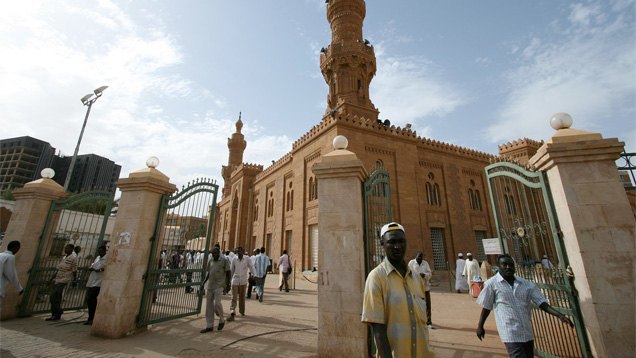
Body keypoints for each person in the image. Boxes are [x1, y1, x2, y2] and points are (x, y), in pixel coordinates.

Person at [476, 254, 573, 357]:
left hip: (527, 332)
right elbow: (486, 306)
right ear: (499, 266)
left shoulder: (526, 284)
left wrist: (559, 315)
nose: (508, 267)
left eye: (510, 265)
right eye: (504, 265)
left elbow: (542, 303)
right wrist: (480, 326)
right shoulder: (492, 284)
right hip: (510, 331)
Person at [362, 222, 435, 358]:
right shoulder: (376, 278)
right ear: (382, 244)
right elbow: (377, 327)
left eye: (401, 241)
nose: (397, 246)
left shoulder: (416, 279)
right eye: (392, 242)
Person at [200, 247, 231, 333]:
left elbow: (228, 272)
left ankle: (221, 319)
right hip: (210, 285)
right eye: (212, 253)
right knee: (209, 306)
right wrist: (203, 283)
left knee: (217, 303)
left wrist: (228, 284)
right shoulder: (211, 260)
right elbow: (209, 273)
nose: (214, 255)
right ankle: (209, 325)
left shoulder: (224, 260)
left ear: (218, 253)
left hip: (219, 285)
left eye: (215, 253)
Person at [46, 244, 77, 321]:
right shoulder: (64, 257)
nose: (65, 250)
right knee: (57, 297)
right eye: (65, 248)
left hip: (64, 279)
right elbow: (58, 269)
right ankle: (55, 314)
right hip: (58, 278)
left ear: (71, 249)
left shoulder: (73, 258)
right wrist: (51, 279)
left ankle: (58, 311)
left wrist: (74, 280)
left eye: (67, 248)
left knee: (53, 295)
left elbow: (74, 270)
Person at [227, 246, 255, 321]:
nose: (238, 253)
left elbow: (251, 267)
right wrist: (229, 281)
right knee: (234, 297)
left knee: (242, 297)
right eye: (237, 251)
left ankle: (242, 311)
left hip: (243, 281)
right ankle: (232, 311)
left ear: (242, 251)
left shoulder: (247, 259)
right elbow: (232, 270)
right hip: (235, 280)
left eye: (240, 251)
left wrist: (254, 275)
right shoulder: (234, 259)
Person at [408, 251, 433, 329]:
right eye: (418, 257)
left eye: (421, 257)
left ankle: (428, 322)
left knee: (427, 305)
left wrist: (424, 275)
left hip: (425, 287)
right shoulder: (411, 263)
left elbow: (429, 274)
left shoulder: (425, 263)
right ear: (416, 256)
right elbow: (408, 273)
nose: (419, 258)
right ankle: (416, 321)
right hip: (415, 288)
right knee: (415, 304)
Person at [85, 245, 107, 325]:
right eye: (99, 251)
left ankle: (92, 317)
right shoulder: (98, 257)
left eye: (101, 251)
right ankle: (90, 317)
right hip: (93, 279)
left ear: (105, 251)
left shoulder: (107, 257)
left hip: (100, 280)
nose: (100, 253)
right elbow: (94, 264)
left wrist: (100, 269)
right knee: (90, 298)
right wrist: (91, 267)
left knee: (91, 297)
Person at [0, 241, 24, 312]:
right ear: (15, 248)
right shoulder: (10, 257)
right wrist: (19, 288)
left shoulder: (1, 255)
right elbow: (11, 275)